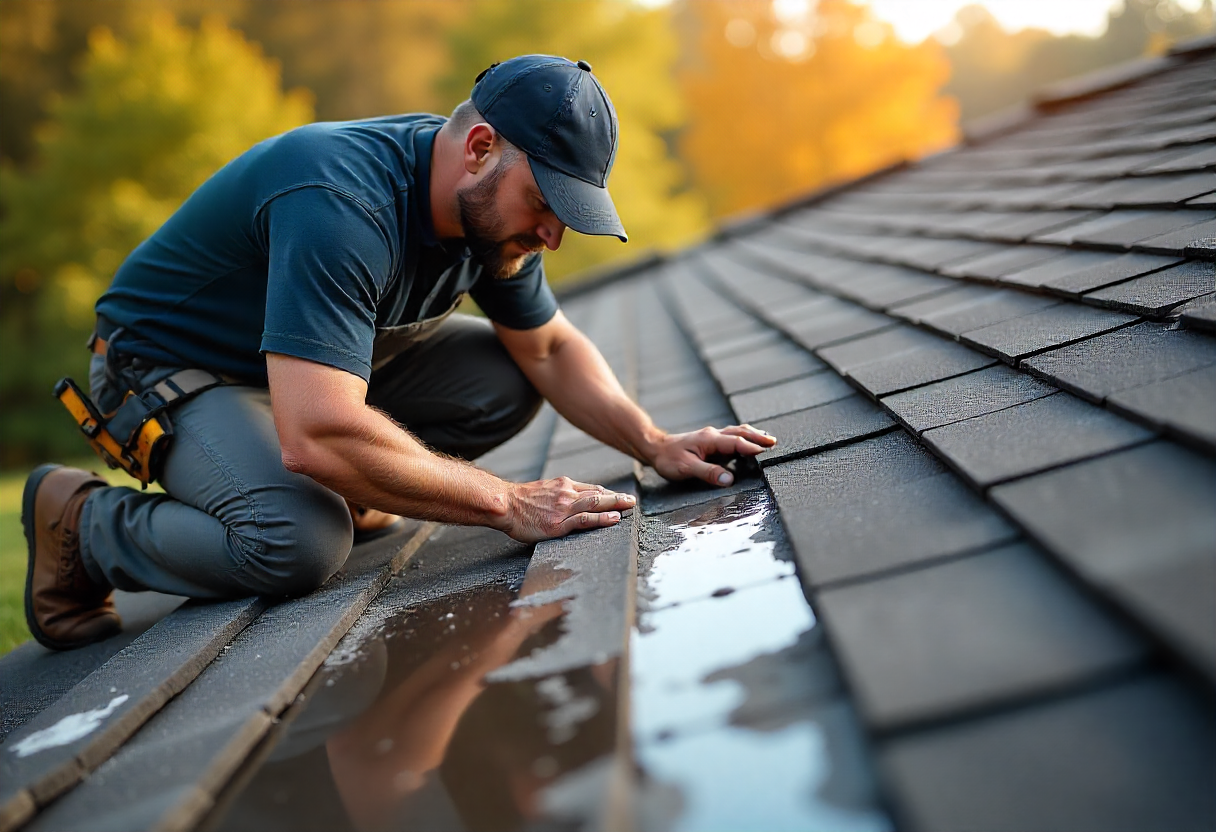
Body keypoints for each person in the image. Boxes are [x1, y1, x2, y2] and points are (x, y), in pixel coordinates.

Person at [22, 54, 776, 651]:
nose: (553, 236)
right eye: (547, 206)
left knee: (503, 379)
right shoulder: (342, 202)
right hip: (168, 372)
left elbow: (546, 346)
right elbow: (315, 431)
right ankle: (84, 525)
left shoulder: (493, 215)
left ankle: (349, 481)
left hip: (301, 372)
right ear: (481, 148)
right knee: (297, 544)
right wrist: (506, 502)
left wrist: (655, 443)